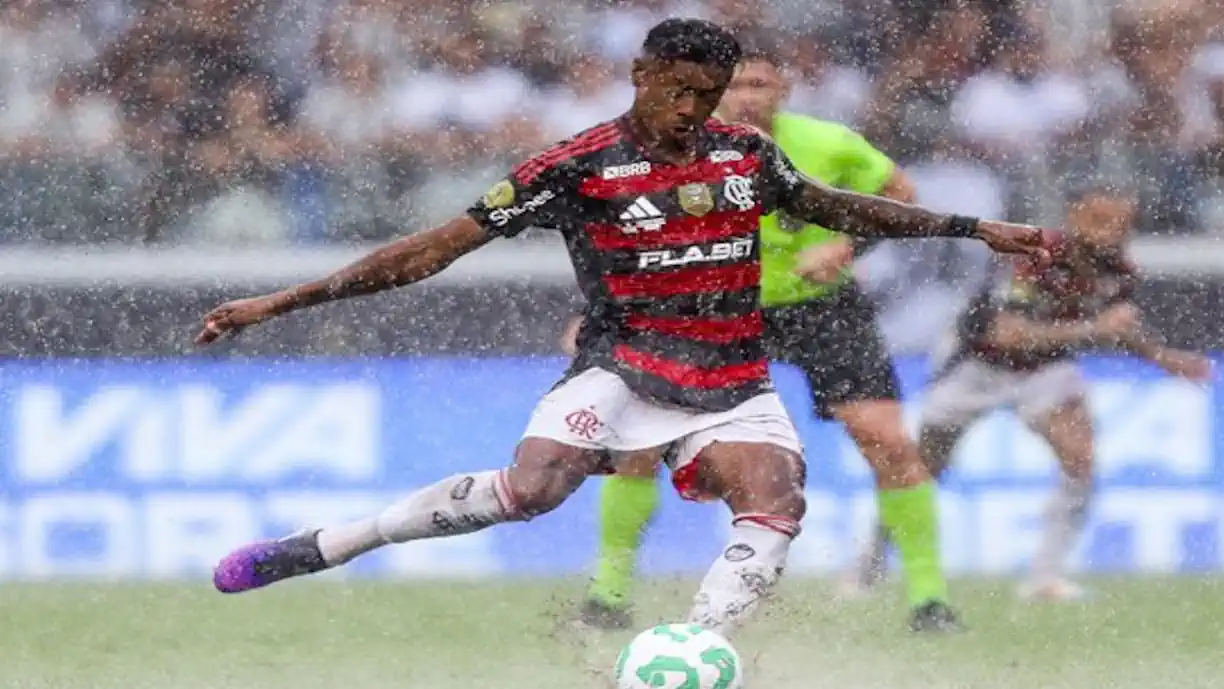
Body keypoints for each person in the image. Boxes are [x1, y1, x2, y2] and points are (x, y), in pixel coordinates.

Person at [199, 19, 1045, 639]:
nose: (692, 109)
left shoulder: (744, 155)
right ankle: (329, 544)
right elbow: (430, 250)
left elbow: (833, 204)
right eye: (678, 89)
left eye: (706, 96)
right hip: (627, 368)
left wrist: (971, 227)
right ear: (640, 73)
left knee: (778, 500)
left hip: (731, 375)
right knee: (528, 493)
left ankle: (694, 647)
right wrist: (282, 301)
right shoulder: (573, 166)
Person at [576, 41, 961, 633]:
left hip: (819, 307)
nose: (748, 97)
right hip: (710, 306)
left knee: (887, 439)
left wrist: (847, 244)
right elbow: (623, 232)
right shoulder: (671, 150)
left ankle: (929, 601)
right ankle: (607, 594)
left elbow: (900, 195)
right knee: (637, 447)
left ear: (783, 91)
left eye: (760, 85)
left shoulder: (826, 145)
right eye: (736, 86)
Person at [846, 184, 1212, 601]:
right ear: (1074, 217)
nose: (1113, 233)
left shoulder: (1119, 270)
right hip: (975, 365)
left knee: (1080, 458)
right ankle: (867, 566)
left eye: (1123, 224)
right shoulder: (1032, 255)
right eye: (1102, 220)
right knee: (923, 470)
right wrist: (1095, 330)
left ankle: (1044, 577)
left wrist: (1162, 357)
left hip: (1045, 368)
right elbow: (1006, 334)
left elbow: (1115, 323)